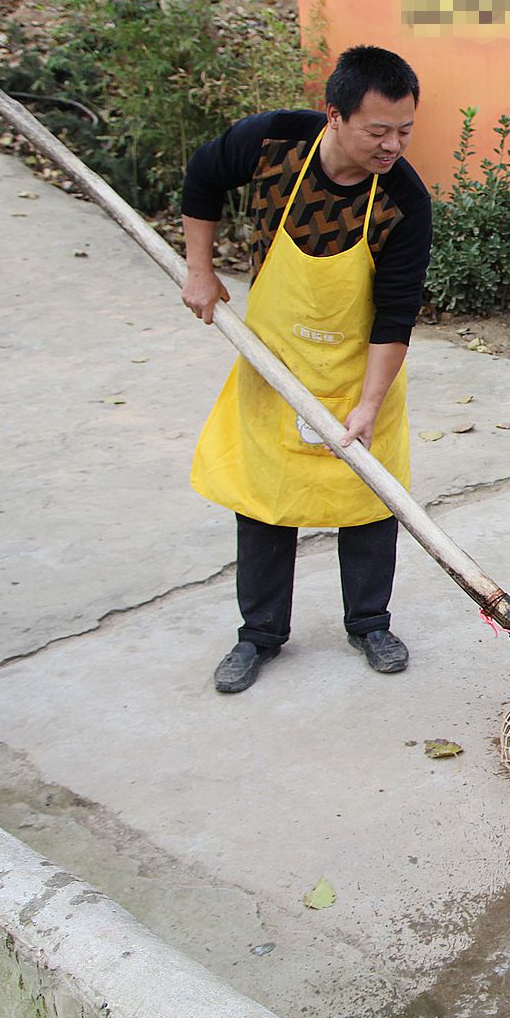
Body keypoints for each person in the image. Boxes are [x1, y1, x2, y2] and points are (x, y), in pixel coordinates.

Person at [180, 46, 433, 694]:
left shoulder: (403, 200)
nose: (392, 145)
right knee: (266, 500)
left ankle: (370, 623)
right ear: (334, 115)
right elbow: (202, 177)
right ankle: (259, 634)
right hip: (275, 363)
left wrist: (370, 403)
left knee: (369, 498)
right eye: (378, 131)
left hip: (359, 370)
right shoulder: (273, 143)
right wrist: (200, 269)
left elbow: (395, 312)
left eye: (404, 130)